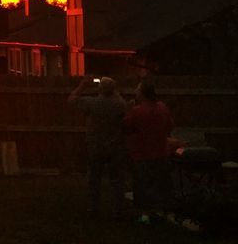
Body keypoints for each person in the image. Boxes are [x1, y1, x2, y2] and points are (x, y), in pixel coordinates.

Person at [68, 76, 128, 218]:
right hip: (115, 146)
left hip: (96, 145)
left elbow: (71, 100)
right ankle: (118, 209)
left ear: (99, 89)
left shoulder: (92, 102)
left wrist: (82, 86)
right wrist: (115, 91)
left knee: (94, 178)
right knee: (117, 180)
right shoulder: (120, 104)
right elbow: (123, 107)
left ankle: (93, 208)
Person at [124, 80, 175, 225]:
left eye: (138, 90)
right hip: (161, 152)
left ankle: (145, 214)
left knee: (143, 185)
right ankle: (162, 212)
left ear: (143, 93)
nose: (136, 92)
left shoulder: (137, 111)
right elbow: (170, 126)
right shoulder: (163, 108)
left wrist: (129, 110)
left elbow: (126, 127)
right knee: (161, 184)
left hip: (142, 154)